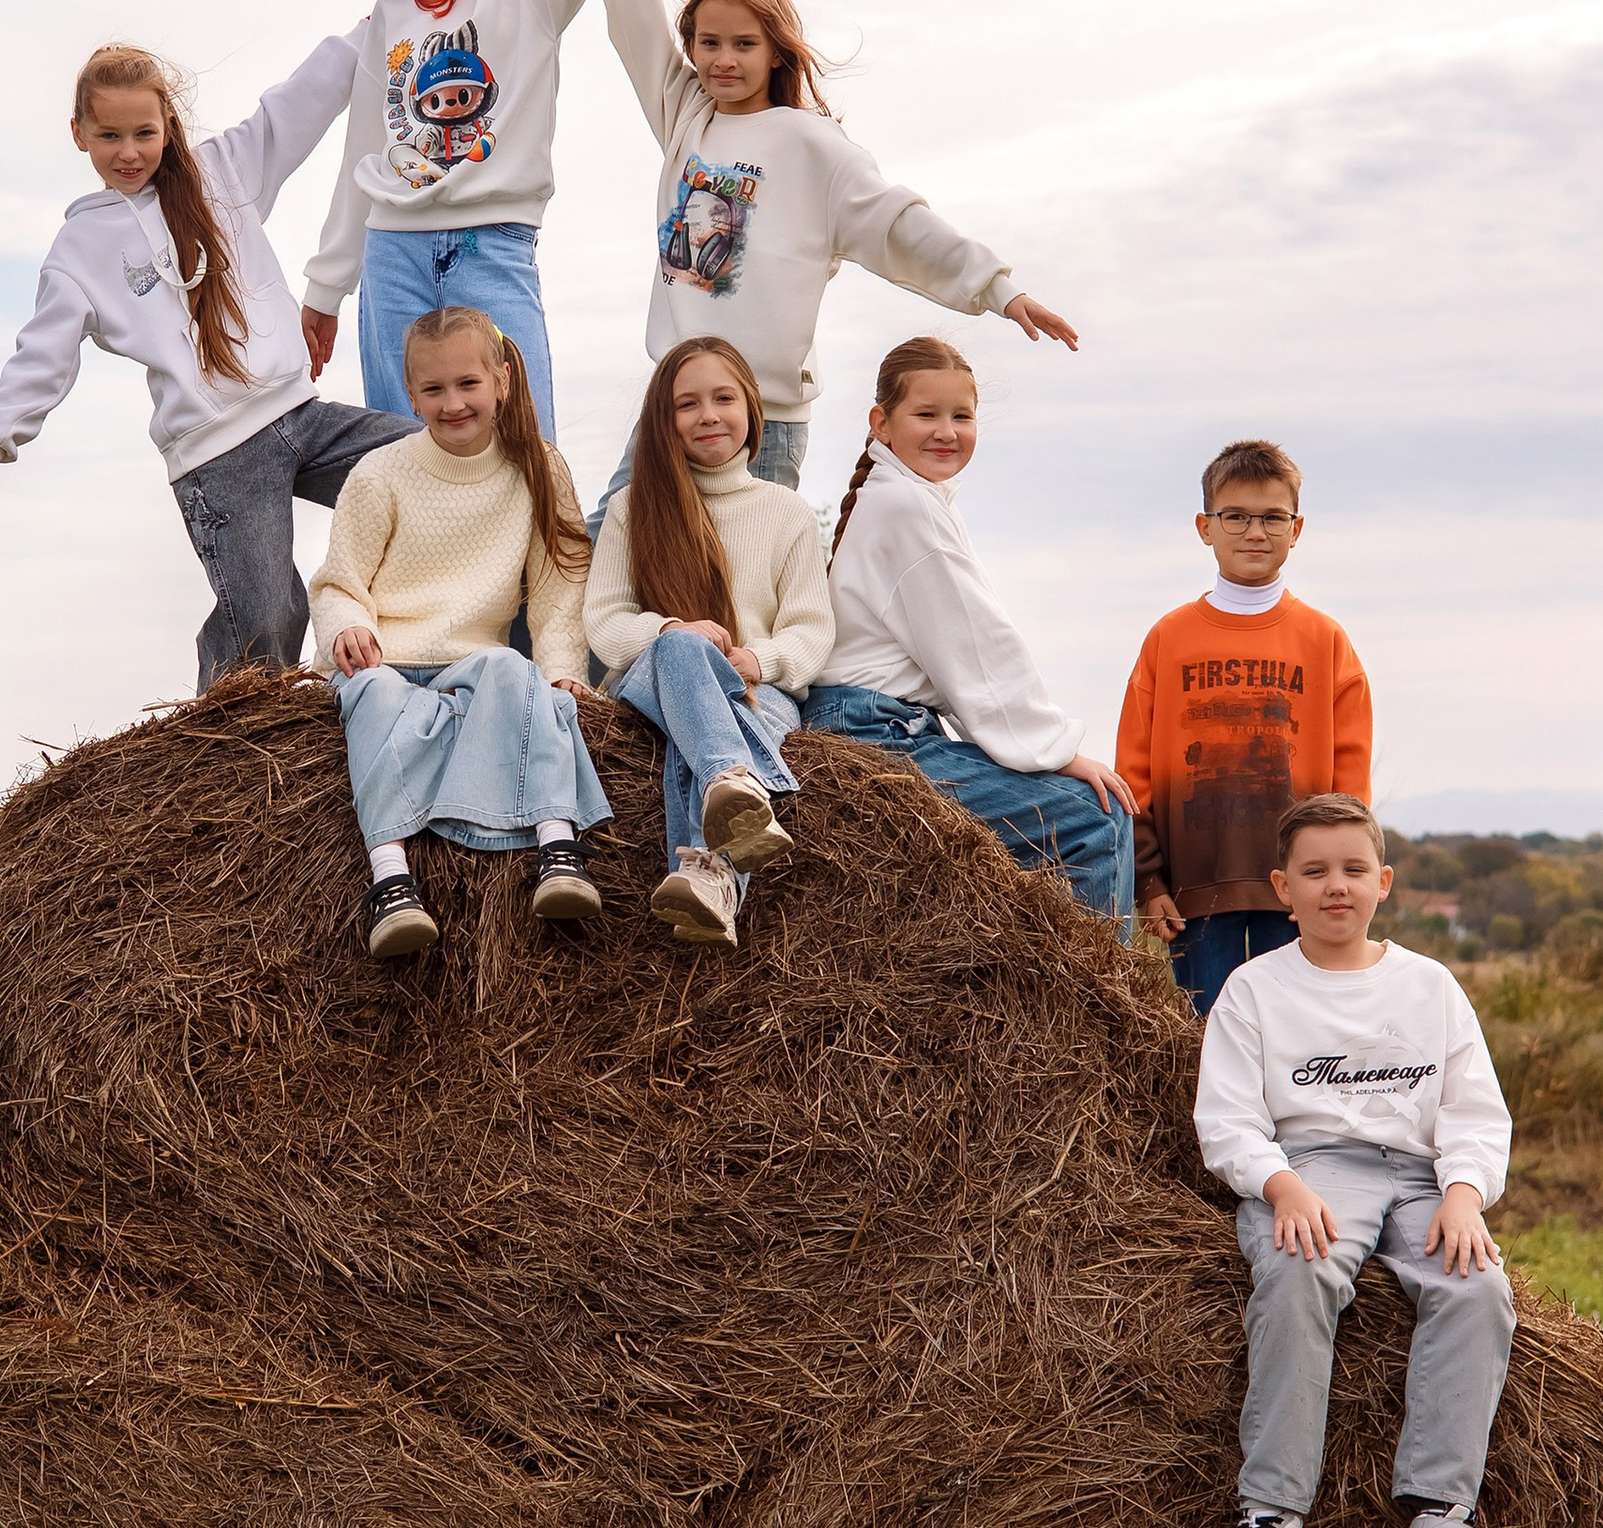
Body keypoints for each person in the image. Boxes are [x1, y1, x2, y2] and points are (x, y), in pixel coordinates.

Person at [548, 0, 1076, 507]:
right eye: (708, 43)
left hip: (765, 419)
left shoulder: (811, 146)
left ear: (775, 50)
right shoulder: (687, 115)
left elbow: (897, 223)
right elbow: (630, 2)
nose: (723, 60)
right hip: (678, 407)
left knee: (747, 594)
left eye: (742, 44)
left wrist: (998, 288)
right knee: (608, 549)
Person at [0, 36, 408, 688]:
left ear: (168, 125)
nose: (128, 152)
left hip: (300, 416)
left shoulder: (223, 173)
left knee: (427, 464)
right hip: (218, 457)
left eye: (144, 133)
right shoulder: (79, 249)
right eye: (108, 135)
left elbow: (298, 104)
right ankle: (214, 751)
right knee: (268, 624)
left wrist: (382, 24)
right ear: (79, 134)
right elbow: (40, 360)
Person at [298, 0, 693, 441]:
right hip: (394, 253)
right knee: (402, 449)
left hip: (494, 246)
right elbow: (364, 148)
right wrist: (328, 287)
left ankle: (538, 554)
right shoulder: (392, 13)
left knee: (524, 447)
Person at [1198, 794, 1514, 1528]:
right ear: (1283, 888)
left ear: (1384, 882)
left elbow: (1476, 1111)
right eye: (1314, 872)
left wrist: (1464, 1192)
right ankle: (1272, 1514)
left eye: (1351, 870)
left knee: (1478, 1288)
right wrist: (1280, 1184)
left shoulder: (1430, 987)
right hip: (1313, 1171)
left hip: (1420, 1176)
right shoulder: (1253, 991)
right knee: (1298, 1271)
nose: (1335, 887)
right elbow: (1226, 1118)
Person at [310, 303, 609, 961]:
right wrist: (348, 631)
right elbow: (339, 583)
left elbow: (561, 582)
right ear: (410, 394)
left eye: (467, 384)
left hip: (473, 660)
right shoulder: (380, 474)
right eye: (434, 389)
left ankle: (557, 845)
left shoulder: (538, 467)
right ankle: (390, 880)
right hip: (389, 658)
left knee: (520, 678)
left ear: (501, 379)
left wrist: (563, 669)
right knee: (374, 697)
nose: (453, 403)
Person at [803, 336, 1133, 928]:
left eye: (962, 416)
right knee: (1096, 818)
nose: (946, 431)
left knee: (1082, 812)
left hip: (877, 724)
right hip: (876, 734)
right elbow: (979, 647)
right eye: (926, 414)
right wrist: (1054, 751)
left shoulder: (904, 497)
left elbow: (962, 655)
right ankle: (1098, 1009)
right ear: (880, 422)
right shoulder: (906, 506)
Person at [584, 335, 831, 948]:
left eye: (723, 398)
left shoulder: (787, 512)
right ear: (664, 422)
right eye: (686, 404)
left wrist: (758, 658)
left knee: (699, 727)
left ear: (751, 407)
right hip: (654, 678)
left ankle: (711, 881)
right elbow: (606, 619)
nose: (708, 415)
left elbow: (810, 627)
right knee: (681, 652)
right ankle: (733, 782)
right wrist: (670, 629)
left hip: (757, 687)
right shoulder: (632, 507)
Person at [1116, 438, 1373, 1017]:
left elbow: (1350, 781)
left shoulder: (1325, 640)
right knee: (1211, 1043)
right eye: (1235, 516)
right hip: (1195, 890)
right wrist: (1148, 881)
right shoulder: (1168, 638)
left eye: (1272, 517)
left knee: (1302, 1037)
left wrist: (1334, 873)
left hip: (1298, 890)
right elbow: (1133, 771)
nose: (1254, 532)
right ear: (1205, 527)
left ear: (1296, 528)